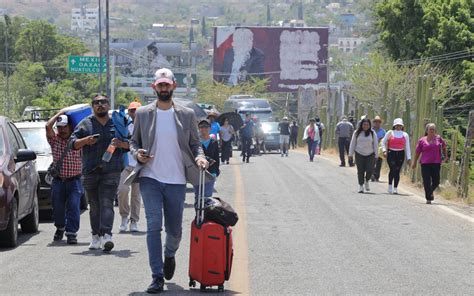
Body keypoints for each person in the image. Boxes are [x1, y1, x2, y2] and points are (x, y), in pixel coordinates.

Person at [128, 68, 208, 293]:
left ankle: (170, 254)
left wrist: (200, 157)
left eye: (167, 84)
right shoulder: (143, 113)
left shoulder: (186, 114)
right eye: (160, 85)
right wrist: (137, 154)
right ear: (154, 87)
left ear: (174, 85)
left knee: (174, 230)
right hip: (150, 177)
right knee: (154, 226)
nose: (163, 88)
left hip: (176, 180)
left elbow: (195, 144)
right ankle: (157, 276)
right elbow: (133, 142)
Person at [70, 95, 129, 252]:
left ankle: (107, 235)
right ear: (92, 107)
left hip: (112, 170)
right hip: (90, 172)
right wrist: (86, 140)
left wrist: (120, 143)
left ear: (109, 105)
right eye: (97, 103)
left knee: (106, 202)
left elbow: (131, 145)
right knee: (94, 206)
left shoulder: (117, 123)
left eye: (103, 102)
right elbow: (72, 144)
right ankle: (95, 236)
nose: (100, 105)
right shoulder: (85, 124)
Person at [46, 110, 83, 245]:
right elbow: (47, 126)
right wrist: (60, 113)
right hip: (58, 181)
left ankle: (71, 233)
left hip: (75, 180)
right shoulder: (54, 140)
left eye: (64, 127)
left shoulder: (77, 140)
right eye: (59, 127)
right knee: (58, 207)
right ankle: (60, 227)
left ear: (70, 127)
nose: (62, 130)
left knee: (73, 206)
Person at [117, 101, 142, 232]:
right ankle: (124, 217)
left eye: (137, 110)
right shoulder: (124, 125)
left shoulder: (146, 126)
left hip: (139, 165)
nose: (134, 113)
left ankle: (134, 221)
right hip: (126, 164)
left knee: (136, 195)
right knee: (122, 191)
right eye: (132, 110)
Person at [412, 123, 447, 204]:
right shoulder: (422, 140)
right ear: (427, 131)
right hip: (425, 163)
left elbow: (444, 147)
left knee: (436, 181)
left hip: (436, 163)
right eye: (430, 129)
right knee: (426, 181)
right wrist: (414, 162)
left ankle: (429, 191)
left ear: (435, 131)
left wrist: (446, 156)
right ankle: (428, 197)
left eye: (433, 129)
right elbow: (417, 152)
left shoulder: (439, 139)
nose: (432, 131)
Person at [382, 118, 412, 194]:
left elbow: (407, 147)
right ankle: (389, 185)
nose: (398, 126)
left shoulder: (405, 135)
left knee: (397, 170)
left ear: (402, 126)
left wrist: (409, 158)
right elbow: (383, 142)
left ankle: (395, 187)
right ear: (394, 126)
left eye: (400, 125)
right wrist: (384, 150)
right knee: (392, 169)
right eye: (397, 125)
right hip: (391, 152)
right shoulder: (390, 133)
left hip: (400, 153)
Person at [348, 118, 379, 193]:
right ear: (361, 125)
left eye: (367, 125)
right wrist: (350, 154)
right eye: (364, 124)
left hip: (370, 154)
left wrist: (376, 155)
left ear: (369, 125)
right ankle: (361, 186)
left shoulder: (372, 133)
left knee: (370, 170)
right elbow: (353, 143)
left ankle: (367, 180)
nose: (366, 126)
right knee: (360, 170)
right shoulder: (357, 133)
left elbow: (375, 144)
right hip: (359, 153)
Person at [194, 119, 220, 201]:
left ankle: (205, 214)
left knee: (207, 197)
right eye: (201, 127)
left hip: (210, 172)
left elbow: (216, 157)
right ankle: (198, 213)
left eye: (206, 126)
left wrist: (215, 171)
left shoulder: (214, 142)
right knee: (198, 196)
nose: (203, 129)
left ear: (210, 128)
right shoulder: (195, 142)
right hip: (198, 172)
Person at [371, 116, 386, 182]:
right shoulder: (371, 130)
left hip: (379, 149)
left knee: (378, 163)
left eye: (379, 122)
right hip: (371, 148)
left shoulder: (383, 131)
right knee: (371, 162)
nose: (377, 123)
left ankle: (376, 176)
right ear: (373, 123)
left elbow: (385, 140)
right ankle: (372, 175)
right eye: (375, 122)